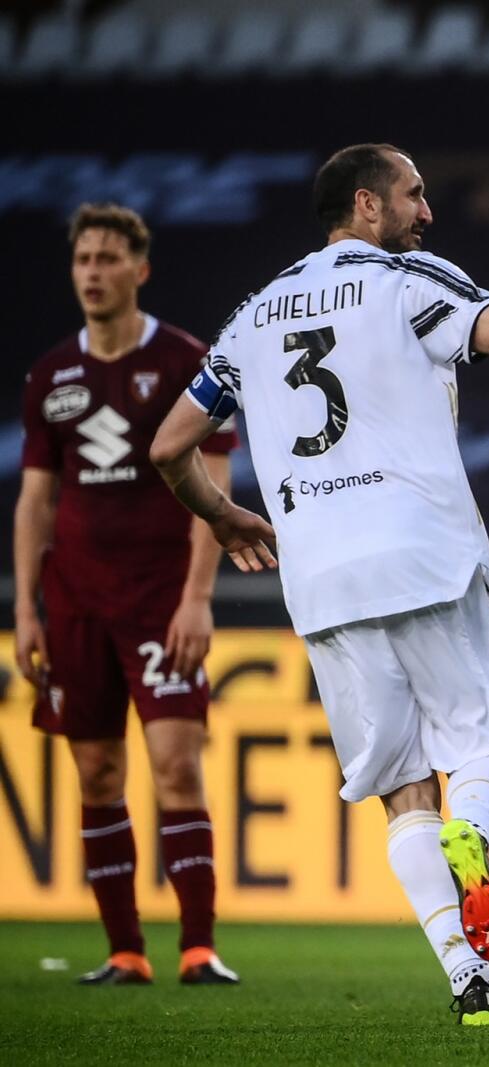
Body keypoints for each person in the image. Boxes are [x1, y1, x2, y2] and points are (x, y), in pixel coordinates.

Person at [148, 142, 489, 1025]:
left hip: (320, 579)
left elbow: (168, 444)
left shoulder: (253, 315)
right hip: (423, 553)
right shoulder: (405, 282)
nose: (426, 213)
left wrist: (219, 512)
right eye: (414, 194)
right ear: (366, 206)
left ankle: (468, 979)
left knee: (401, 789)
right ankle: (472, 831)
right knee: (481, 753)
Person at [15, 203, 240, 986]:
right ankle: (124, 949)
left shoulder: (185, 359)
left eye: (109, 258)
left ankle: (200, 946)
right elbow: (36, 500)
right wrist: (24, 609)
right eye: (83, 259)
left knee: (177, 764)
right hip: (74, 601)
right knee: (98, 773)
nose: (93, 272)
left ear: (139, 270)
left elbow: (216, 485)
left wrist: (197, 596)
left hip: (159, 596)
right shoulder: (51, 374)